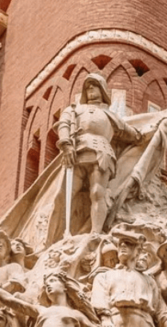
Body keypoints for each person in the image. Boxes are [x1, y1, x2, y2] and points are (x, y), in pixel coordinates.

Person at [57, 74, 142, 235]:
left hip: (101, 153)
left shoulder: (110, 115)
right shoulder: (74, 110)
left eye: (94, 86)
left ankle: (95, 233)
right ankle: (62, 232)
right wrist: (66, 144)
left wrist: (145, 133)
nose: (90, 89)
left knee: (97, 192)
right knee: (67, 193)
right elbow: (64, 125)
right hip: (77, 152)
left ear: (102, 90)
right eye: (87, 87)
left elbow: (130, 133)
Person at [90, 228, 167, 327]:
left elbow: (161, 311)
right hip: (116, 326)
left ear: (137, 251)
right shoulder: (104, 276)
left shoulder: (149, 281)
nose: (123, 245)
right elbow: (99, 299)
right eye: (120, 244)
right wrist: (106, 319)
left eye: (128, 243)